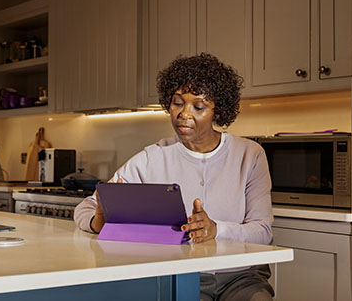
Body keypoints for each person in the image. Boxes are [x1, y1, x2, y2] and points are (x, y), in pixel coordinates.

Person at [74, 53, 274, 301]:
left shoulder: (249, 155)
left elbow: (263, 231)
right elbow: (85, 207)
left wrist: (216, 229)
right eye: (178, 103)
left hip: (240, 278)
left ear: (218, 110)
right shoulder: (151, 158)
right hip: (179, 274)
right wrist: (99, 223)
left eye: (198, 107)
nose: (184, 114)